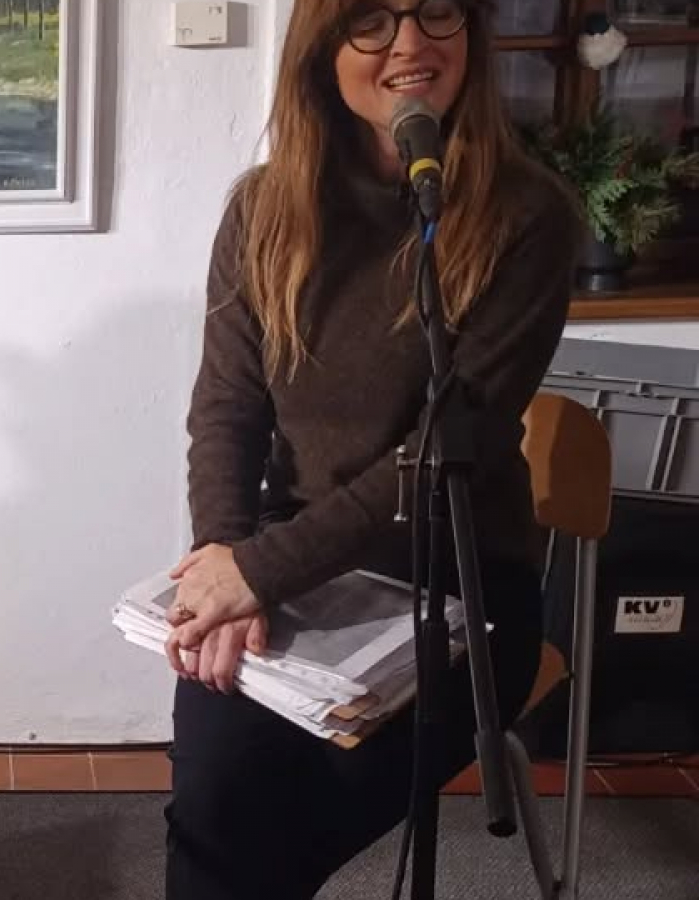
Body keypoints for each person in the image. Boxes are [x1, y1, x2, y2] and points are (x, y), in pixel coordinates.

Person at [162, 0, 583, 897]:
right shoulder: (263, 210)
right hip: (287, 560)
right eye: (372, 20)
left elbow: (445, 450)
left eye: (437, 12)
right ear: (322, 49)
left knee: (269, 836)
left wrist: (256, 572)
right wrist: (227, 560)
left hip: (463, 578)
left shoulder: (529, 218)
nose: (411, 44)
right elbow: (228, 408)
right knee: (213, 803)